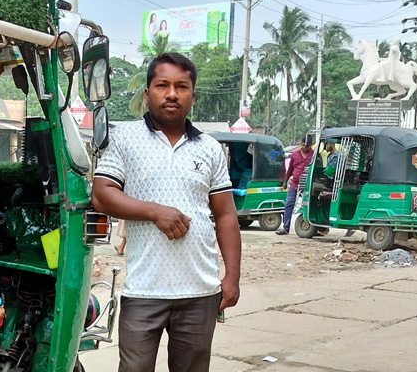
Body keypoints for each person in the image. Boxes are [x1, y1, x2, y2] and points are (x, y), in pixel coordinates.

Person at [91, 53, 241, 372]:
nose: (171, 93)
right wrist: (155, 212)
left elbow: (226, 215)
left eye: (181, 86)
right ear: (147, 94)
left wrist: (232, 276)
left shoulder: (210, 148)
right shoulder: (124, 138)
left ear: (192, 96)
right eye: (162, 85)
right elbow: (102, 195)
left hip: (200, 291)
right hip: (144, 290)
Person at [275, 135, 314, 235]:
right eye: (304, 146)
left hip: (308, 185)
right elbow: (290, 170)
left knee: (309, 205)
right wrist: (285, 181)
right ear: (301, 144)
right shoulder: (295, 155)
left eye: (308, 147)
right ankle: (286, 228)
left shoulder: (314, 155)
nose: (306, 148)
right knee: (289, 204)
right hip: (295, 184)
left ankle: (312, 227)